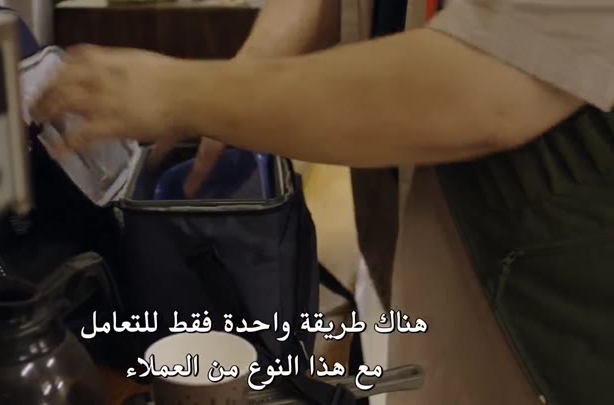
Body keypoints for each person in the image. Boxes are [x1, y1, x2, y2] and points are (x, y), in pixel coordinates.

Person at [33, 1, 614, 404]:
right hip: (444, 272)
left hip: (560, 319)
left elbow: (484, 85)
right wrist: (248, 74)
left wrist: (182, 93)